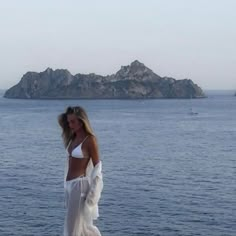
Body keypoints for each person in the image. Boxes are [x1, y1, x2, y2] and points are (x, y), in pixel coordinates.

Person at [58, 106, 103, 236]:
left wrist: (93, 193)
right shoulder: (72, 138)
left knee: (72, 229)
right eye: (68, 122)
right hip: (69, 186)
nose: (70, 125)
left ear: (82, 121)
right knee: (80, 227)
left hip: (80, 186)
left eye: (73, 121)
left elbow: (97, 168)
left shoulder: (90, 140)